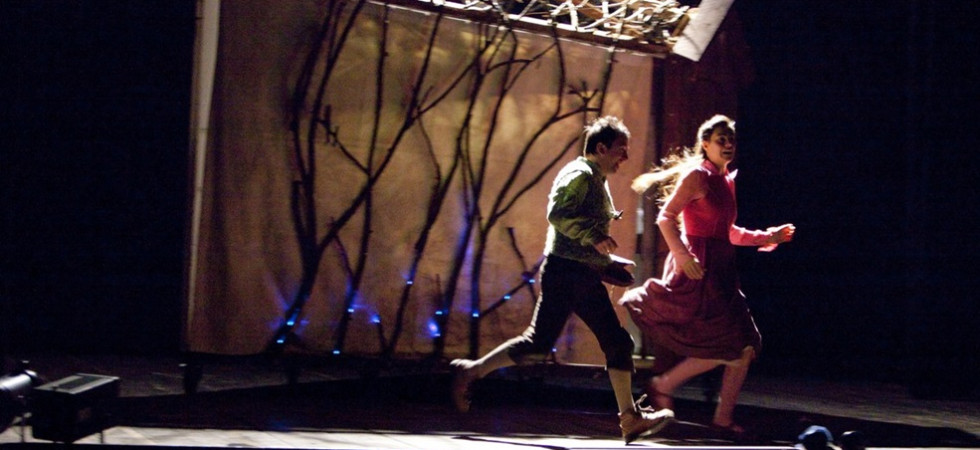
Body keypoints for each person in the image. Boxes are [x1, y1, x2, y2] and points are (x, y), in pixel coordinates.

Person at [450, 116, 674, 444]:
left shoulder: (595, 177)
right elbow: (558, 214)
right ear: (601, 148)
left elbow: (578, 236)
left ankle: (630, 419)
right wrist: (594, 238)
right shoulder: (580, 174)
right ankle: (471, 371)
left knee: (611, 342)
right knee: (541, 343)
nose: (625, 157)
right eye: (621, 150)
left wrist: (606, 262)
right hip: (565, 274)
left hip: (578, 273)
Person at [619, 114, 795, 435]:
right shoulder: (697, 176)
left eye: (731, 140)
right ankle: (679, 393)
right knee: (734, 345)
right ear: (705, 144)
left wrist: (767, 236)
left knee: (743, 347)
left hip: (722, 271)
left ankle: (688, 398)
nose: (728, 145)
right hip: (699, 269)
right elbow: (665, 217)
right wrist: (683, 255)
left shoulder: (726, 180)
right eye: (721, 140)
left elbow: (729, 232)